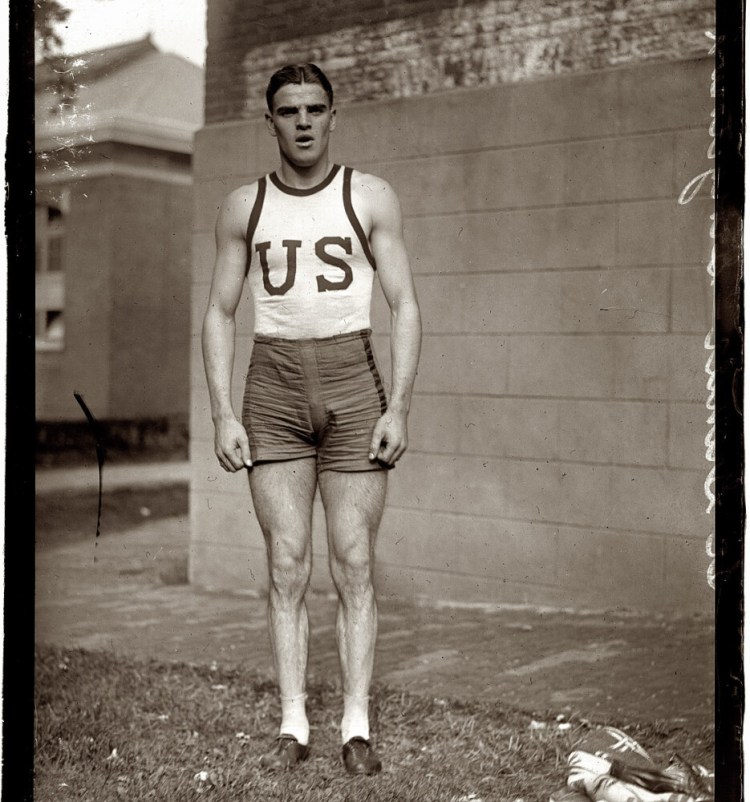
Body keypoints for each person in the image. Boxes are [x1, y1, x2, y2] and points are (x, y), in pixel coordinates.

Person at [201, 63, 422, 776]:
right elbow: (219, 312)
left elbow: (405, 305)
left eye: (315, 108)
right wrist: (222, 413)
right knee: (286, 561)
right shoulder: (246, 206)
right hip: (273, 387)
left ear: (334, 116)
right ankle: (293, 721)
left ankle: (356, 723)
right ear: (269, 121)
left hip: (355, 384)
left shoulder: (370, 196)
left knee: (353, 559)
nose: (302, 121)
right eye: (288, 110)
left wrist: (400, 405)